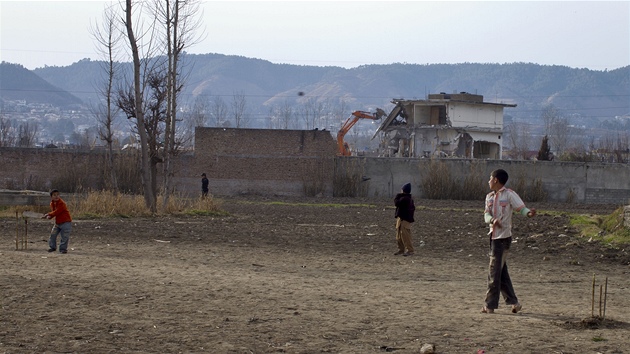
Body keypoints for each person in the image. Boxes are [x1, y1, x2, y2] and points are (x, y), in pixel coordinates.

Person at [481, 169, 536, 314]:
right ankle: (514, 302)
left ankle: (490, 305)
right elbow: (486, 215)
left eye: (490, 178)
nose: (489, 181)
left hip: (503, 239)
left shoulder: (510, 195)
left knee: (494, 272)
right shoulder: (489, 197)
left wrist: (530, 213)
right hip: (493, 237)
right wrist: (492, 220)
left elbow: (522, 209)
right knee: (500, 271)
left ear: (496, 180)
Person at [44, 189, 72, 254]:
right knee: (53, 235)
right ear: (51, 197)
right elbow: (54, 213)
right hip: (58, 222)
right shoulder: (52, 203)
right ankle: (52, 247)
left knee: (64, 236)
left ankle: (63, 249)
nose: (56, 196)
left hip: (66, 222)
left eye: (57, 195)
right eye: (54, 195)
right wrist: (49, 216)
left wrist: (49, 214)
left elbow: (57, 211)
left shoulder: (62, 203)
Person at [393, 182, 416, 256]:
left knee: (405, 235)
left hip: (405, 219)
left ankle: (410, 250)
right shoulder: (407, 198)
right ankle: (401, 249)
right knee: (399, 235)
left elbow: (397, 203)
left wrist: (397, 196)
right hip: (401, 218)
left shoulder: (405, 198)